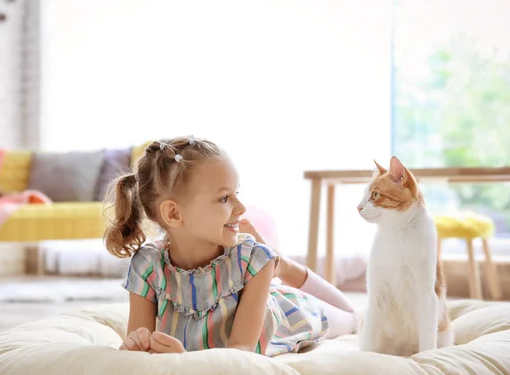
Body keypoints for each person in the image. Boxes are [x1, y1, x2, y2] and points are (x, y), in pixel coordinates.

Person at [104, 135, 358, 357]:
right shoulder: (147, 266)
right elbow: (140, 345)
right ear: (173, 214)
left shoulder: (253, 261)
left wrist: (186, 362)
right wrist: (137, 344)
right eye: (225, 198)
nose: (242, 208)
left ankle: (284, 265)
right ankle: (281, 265)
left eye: (237, 193)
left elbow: (241, 352)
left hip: (290, 313)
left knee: (352, 317)